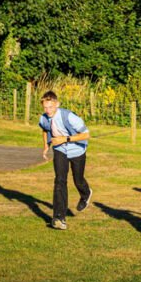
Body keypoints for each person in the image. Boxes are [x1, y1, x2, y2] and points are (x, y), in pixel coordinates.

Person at [38, 91, 92, 230]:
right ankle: (59, 218)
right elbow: (45, 130)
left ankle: (85, 194)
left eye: (51, 107)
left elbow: (86, 134)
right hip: (60, 150)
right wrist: (46, 145)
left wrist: (65, 138)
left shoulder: (69, 116)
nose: (48, 110)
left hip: (77, 150)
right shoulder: (44, 118)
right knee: (60, 180)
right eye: (45, 107)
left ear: (57, 104)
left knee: (78, 179)